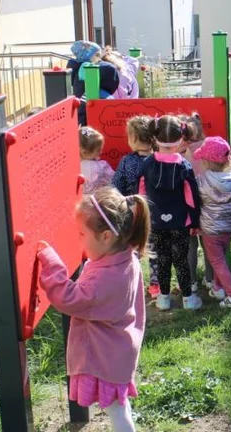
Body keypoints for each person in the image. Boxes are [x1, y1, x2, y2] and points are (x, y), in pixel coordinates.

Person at [36, 187, 150, 432]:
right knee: (117, 405)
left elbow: (71, 300)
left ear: (106, 237)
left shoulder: (107, 277)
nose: (79, 240)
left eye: (81, 235)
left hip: (107, 354)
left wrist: (51, 265)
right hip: (117, 347)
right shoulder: (122, 257)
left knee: (116, 407)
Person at [139, 116, 202, 311]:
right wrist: (195, 221)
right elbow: (192, 197)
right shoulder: (184, 166)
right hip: (180, 221)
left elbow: (140, 193)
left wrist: (143, 218)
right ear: (181, 138)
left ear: (155, 138)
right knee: (181, 259)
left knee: (162, 259)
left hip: (156, 222)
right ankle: (188, 299)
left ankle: (163, 298)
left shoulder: (147, 164)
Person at [193, 137, 231, 309]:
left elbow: (196, 203)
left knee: (217, 261)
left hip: (210, 229)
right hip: (229, 226)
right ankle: (218, 288)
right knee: (221, 259)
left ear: (206, 161)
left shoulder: (201, 181)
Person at [112, 116, 159, 298]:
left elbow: (116, 186)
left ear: (133, 139)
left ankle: (133, 284)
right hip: (156, 212)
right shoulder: (159, 159)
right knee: (156, 250)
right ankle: (156, 286)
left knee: (132, 250)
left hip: (133, 213)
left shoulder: (127, 162)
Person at [181, 113, 209, 294]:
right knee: (208, 245)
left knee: (190, 246)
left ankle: (191, 281)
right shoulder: (208, 148)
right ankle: (211, 279)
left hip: (188, 207)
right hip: (207, 205)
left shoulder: (180, 153)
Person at [79, 127, 114, 194]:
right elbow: (113, 179)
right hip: (98, 199)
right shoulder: (101, 166)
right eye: (98, 150)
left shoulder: (73, 167)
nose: (101, 152)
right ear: (84, 152)